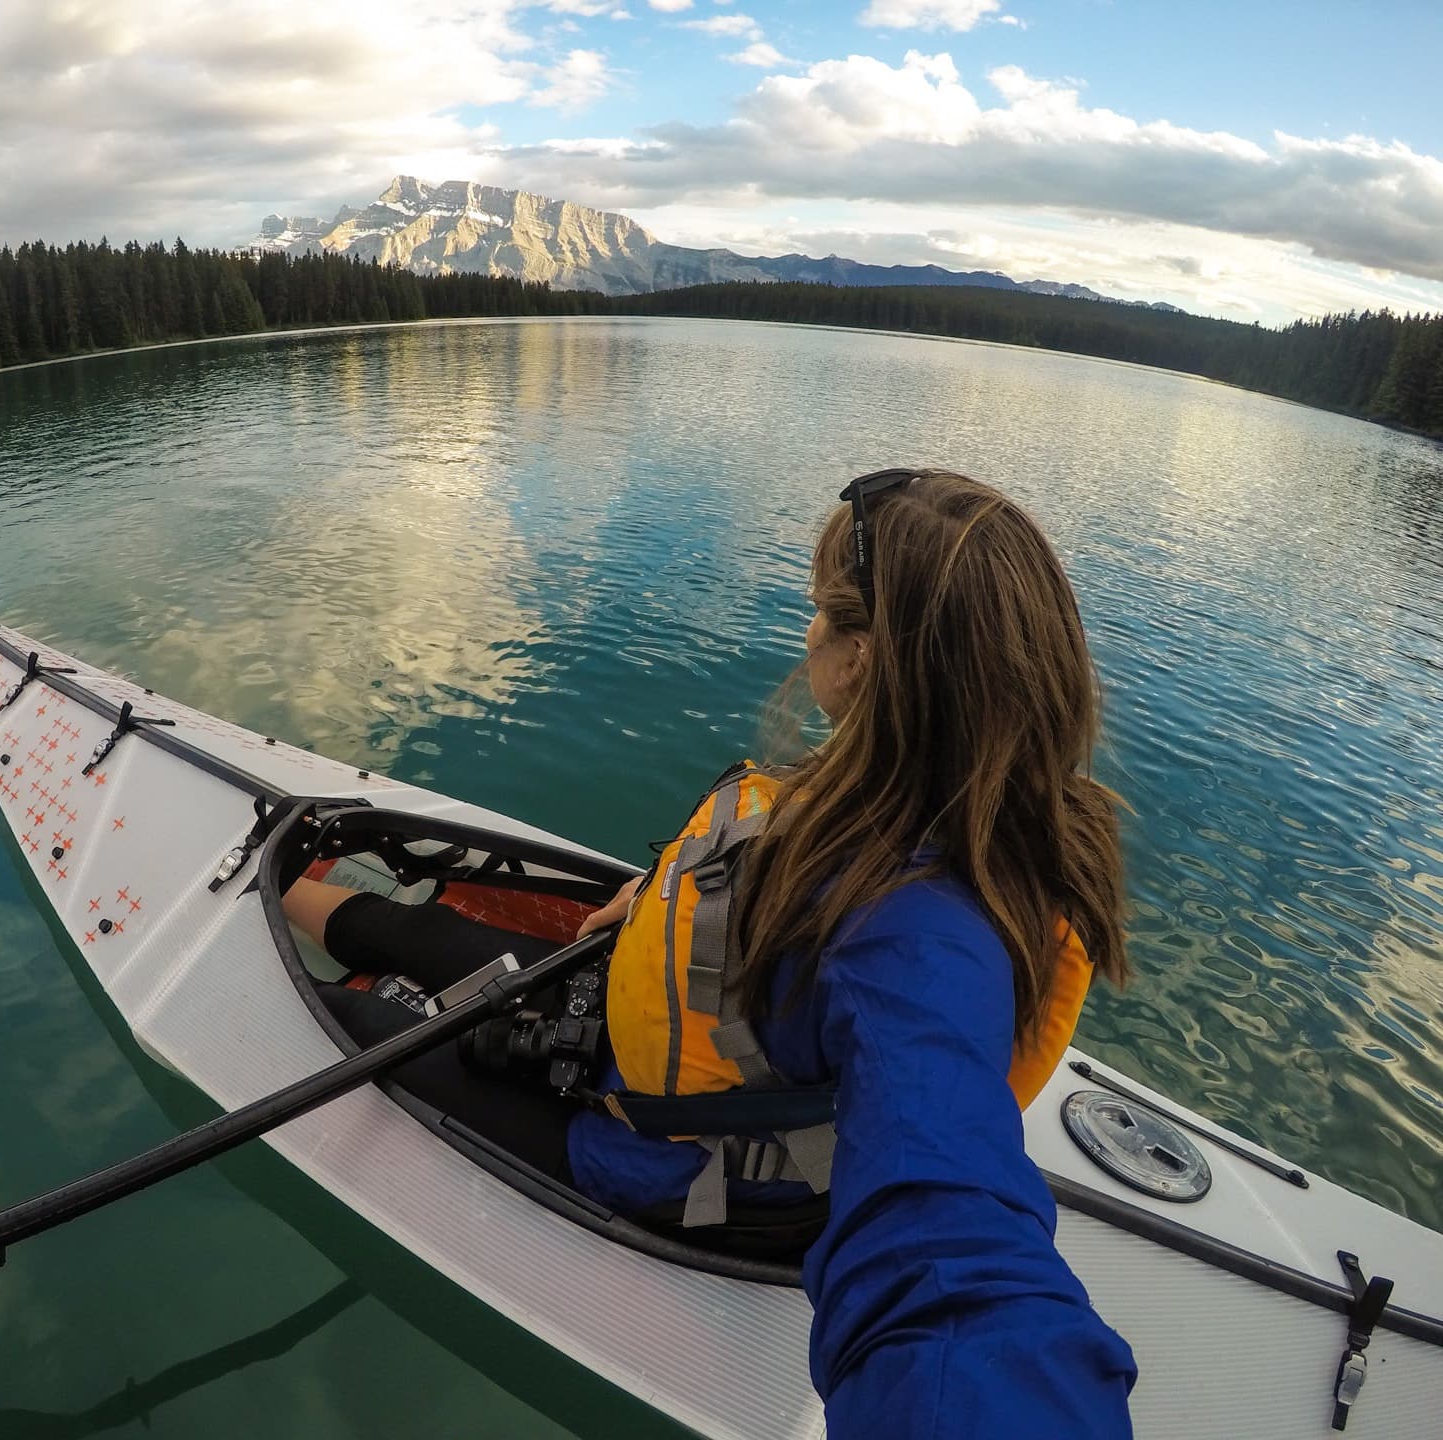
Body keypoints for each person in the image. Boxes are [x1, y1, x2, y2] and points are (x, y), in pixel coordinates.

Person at [284, 469, 1138, 1436]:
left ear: (864, 658)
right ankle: (289, 893)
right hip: (649, 1064)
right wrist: (656, 900)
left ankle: (294, 950)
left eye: (822, 610)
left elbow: (949, 1275)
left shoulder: (923, 944)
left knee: (352, 1029)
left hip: (666, 1161)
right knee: (429, 939)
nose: (807, 631)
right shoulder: (924, 803)